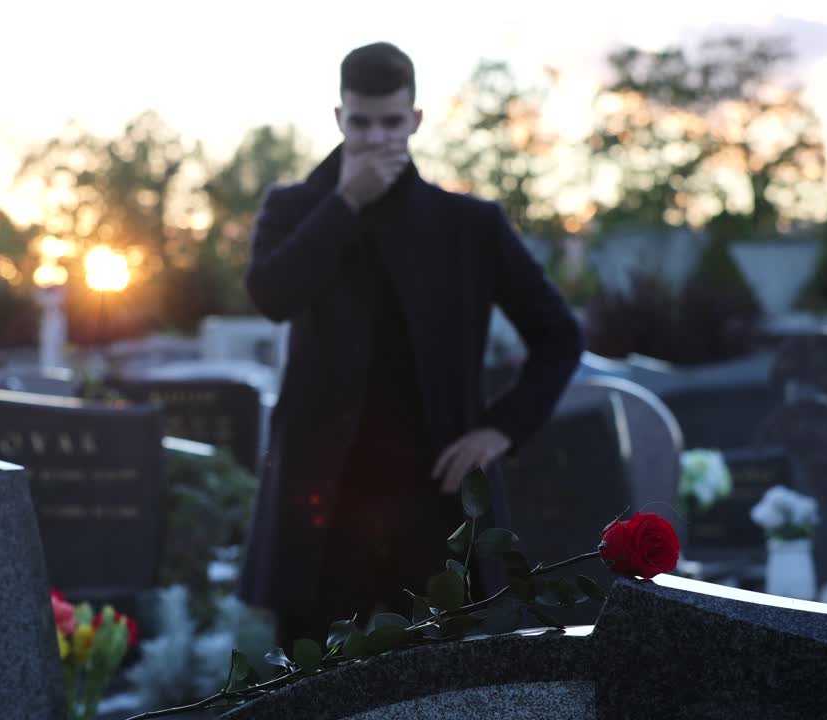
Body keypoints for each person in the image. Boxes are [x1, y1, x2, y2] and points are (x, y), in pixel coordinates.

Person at [237, 41, 584, 650]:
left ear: (416, 120)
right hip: (321, 508)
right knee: (309, 693)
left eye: (391, 121)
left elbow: (560, 336)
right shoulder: (295, 207)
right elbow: (272, 294)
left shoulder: (469, 226)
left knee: (439, 688)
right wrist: (344, 204)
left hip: (437, 507)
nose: (376, 138)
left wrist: (500, 430)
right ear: (340, 118)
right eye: (361, 122)